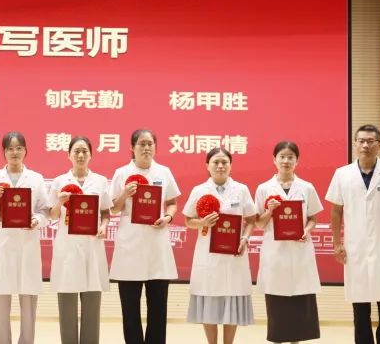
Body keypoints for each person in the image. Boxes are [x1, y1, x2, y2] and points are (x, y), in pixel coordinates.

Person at [326, 125, 380, 344]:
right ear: (355, 143)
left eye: (370, 141)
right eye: (361, 141)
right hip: (355, 247)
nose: (365, 145)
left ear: (379, 145)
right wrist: (337, 243)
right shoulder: (342, 174)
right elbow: (336, 211)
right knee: (360, 304)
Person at [108, 128, 180, 344]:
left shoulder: (164, 172)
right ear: (132, 147)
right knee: (130, 306)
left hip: (157, 243)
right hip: (130, 245)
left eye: (150, 144)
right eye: (142, 144)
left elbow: (172, 203)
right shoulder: (122, 173)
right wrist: (124, 194)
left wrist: (168, 217)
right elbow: (113, 208)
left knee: (158, 306)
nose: (146, 148)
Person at [0, 131, 50, 344]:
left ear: (26, 150)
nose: (15, 152)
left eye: (19, 148)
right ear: (4, 152)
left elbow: (45, 210)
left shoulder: (36, 178)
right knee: (1, 295)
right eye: (10, 148)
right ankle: (3, 340)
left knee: (28, 297)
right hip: (2, 242)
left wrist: (36, 220)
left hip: (27, 242)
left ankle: (27, 341)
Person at [183, 147, 256, 344]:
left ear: (231, 166)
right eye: (216, 162)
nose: (220, 166)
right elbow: (188, 221)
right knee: (210, 299)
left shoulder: (241, 190)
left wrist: (245, 238)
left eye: (225, 162)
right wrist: (202, 223)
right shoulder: (199, 190)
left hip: (234, 255)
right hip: (208, 255)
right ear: (207, 165)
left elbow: (251, 220)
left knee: (232, 298)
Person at [253, 141, 322, 343]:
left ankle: (296, 340)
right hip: (275, 252)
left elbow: (313, 218)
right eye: (282, 157)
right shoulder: (264, 188)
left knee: (300, 299)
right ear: (274, 160)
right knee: (277, 300)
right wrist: (270, 211)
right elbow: (258, 223)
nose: (286, 161)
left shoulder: (307, 187)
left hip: (300, 250)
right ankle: (278, 339)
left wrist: (305, 231)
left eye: (290, 157)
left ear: (297, 161)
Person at [48, 136, 111, 344]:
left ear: (91, 155)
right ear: (69, 155)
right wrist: (59, 202)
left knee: (92, 302)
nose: (81, 155)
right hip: (67, 246)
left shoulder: (100, 181)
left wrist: (103, 226)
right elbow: (52, 214)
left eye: (85, 151)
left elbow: (106, 212)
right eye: (76, 151)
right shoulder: (59, 182)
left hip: (92, 245)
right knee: (67, 302)